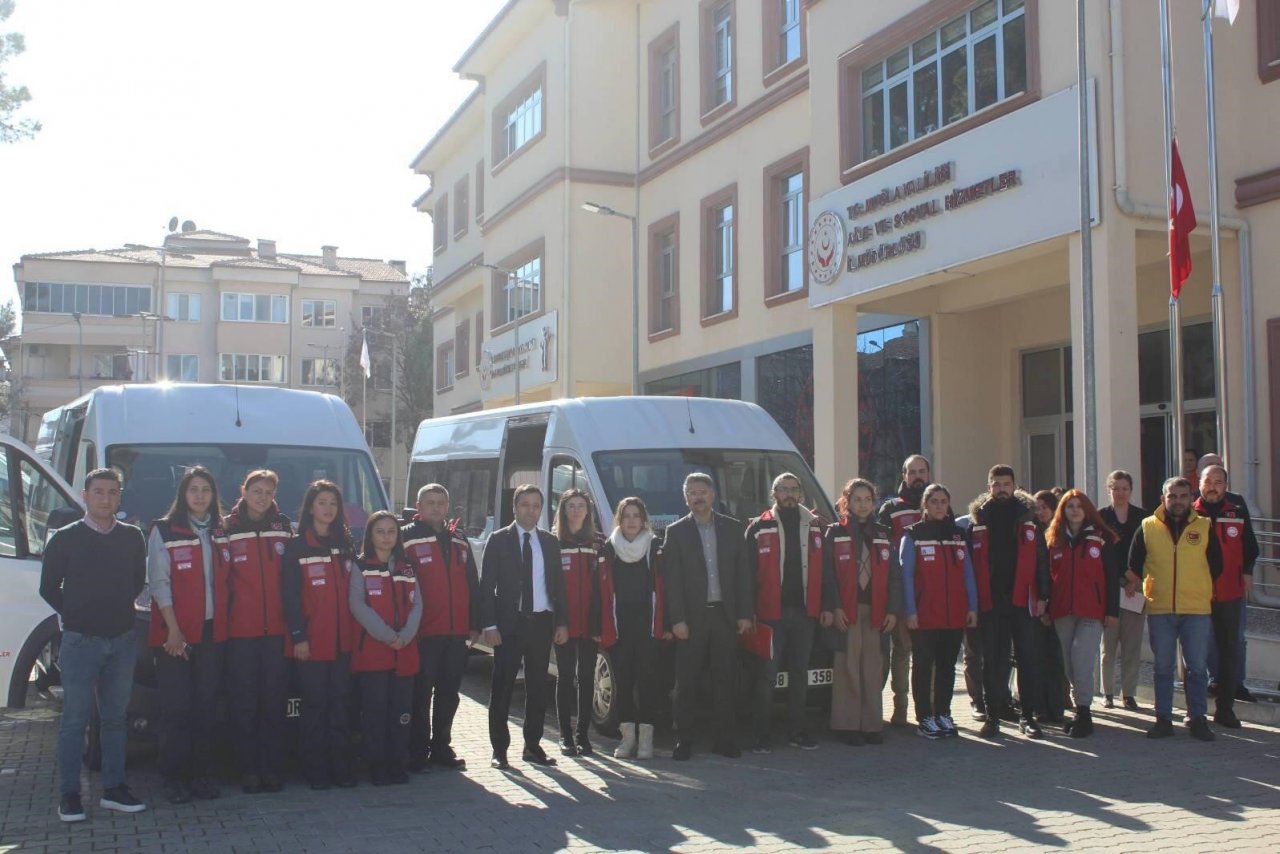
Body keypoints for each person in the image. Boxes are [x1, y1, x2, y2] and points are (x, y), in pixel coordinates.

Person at [40, 468, 148, 823]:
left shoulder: (132, 537)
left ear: (120, 497)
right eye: (98, 492)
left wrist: (114, 611)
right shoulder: (65, 538)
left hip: (122, 641)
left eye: (113, 492)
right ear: (85, 496)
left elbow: (136, 582)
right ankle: (70, 796)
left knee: (115, 719)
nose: (106, 498)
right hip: (80, 643)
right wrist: (76, 615)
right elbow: (48, 587)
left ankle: (114, 789)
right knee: (75, 721)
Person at [146, 466, 230, 804]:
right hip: (174, 635)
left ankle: (201, 775)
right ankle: (173, 777)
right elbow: (159, 583)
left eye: (205, 490)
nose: (199, 496)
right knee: (176, 709)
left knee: (205, 707)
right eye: (193, 489)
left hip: (211, 633)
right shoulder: (164, 530)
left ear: (213, 496)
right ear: (183, 494)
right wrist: (174, 630)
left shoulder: (221, 531)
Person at [664, 473, 752, 761]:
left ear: (713, 495)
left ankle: (724, 740)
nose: (698, 497)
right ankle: (684, 740)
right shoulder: (676, 532)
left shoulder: (733, 528)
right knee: (686, 682)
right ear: (685, 498)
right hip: (692, 620)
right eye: (692, 492)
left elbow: (743, 575)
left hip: (725, 617)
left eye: (702, 491)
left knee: (725, 680)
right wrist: (677, 619)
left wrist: (745, 613)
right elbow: (672, 581)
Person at [480, 484, 569, 769]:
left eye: (536, 505)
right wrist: (489, 625)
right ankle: (499, 750)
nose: (530, 510)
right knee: (503, 687)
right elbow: (486, 587)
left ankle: (532, 746)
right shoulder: (498, 540)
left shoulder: (549, 542)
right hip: (509, 624)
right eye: (525, 505)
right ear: (515, 507)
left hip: (541, 623)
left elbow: (558, 586)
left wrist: (561, 622)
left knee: (538, 688)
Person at [1128, 476, 1222, 741]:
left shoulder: (1204, 526)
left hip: (1196, 608)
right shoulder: (1147, 526)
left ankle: (1198, 718)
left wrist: (1198, 586)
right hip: (1161, 608)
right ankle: (1163, 719)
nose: (1178, 501)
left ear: (1191, 499)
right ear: (1163, 499)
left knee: (1197, 667)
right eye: (1172, 496)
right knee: (1163, 667)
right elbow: (1134, 565)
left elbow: (1217, 565)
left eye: (1182, 496)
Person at [282, 480, 358, 789]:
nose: (328, 508)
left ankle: (340, 768)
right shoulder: (297, 546)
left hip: (343, 643)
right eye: (322, 502)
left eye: (333, 503)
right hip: (311, 643)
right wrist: (298, 636)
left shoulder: (346, 544)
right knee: (314, 706)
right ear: (310, 507)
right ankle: (315, 771)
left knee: (340, 705)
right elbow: (290, 596)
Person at [965, 466, 1049, 740]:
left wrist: (1044, 596)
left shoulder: (1028, 517)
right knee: (992, 660)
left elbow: (1041, 559)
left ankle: (1028, 717)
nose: (1001, 489)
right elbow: (968, 565)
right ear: (989, 487)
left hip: (1022, 599)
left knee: (1027, 658)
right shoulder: (978, 520)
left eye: (1006, 484)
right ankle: (993, 717)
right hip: (990, 601)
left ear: (1014, 486)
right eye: (997, 484)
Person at [222, 469, 292, 794]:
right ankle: (248, 769)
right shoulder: (227, 527)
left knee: (274, 702)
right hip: (241, 632)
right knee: (245, 702)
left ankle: (272, 768)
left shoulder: (284, 527)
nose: (262, 497)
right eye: (257, 491)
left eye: (268, 492)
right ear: (244, 491)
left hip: (277, 632)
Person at [402, 484, 480, 772]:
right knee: (421, 693)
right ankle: (417, 750)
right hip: (423, 631)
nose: (436, 507)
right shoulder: (406, 537)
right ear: (419, 507)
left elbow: (472, 581)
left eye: (440, 503)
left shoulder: (459, 538)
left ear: (447, 507)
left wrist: (475, 623)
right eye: (430, 502)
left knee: (449, 692)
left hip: (456, 631)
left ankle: (441, 747)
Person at [747, 473, 825, 754]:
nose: (790, 494)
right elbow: (746, 574)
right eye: (784, 489)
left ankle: (797, 731)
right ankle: (761, 734)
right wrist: (748, 611)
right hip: (770, 614)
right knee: (766, 676)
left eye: (794, 489)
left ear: (801, 494)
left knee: (800, 674)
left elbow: (826, 571)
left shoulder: (816, 526)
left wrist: (826, 607)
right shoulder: (758, 527)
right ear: (774, 493)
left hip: (805, 613)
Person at [822, 478, 899, 746]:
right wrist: (835, 607)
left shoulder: (883, 533)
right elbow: (828, 576)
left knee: (872, 668)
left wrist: (893, 610)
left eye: (867, 500)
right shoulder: (835, 532)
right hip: (847, 610)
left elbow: (894, 576)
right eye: (857, 500)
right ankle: (847, 725)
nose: (863, 505)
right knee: (848, 667)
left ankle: (871, 724)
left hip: (877, 610)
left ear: (874, 503)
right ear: (847, 502)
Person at [900, 483, 978, 740]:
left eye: (943, 501)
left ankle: (943, 713)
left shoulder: (958, 534)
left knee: (947, 666)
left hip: (954, 614)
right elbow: (906, 576)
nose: (939, 506)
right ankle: (924, 717)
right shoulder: (913, 534)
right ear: (925, 505)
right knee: (923, 666)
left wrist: (972, 606)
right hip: (924, 614)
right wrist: (910, 611)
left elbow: (968, 574)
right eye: (933, 501)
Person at [349, 510, 422, 785]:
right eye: (380, 531)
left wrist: (406, 634)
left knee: (401, 712)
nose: (386, 536)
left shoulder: (407, 566)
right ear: (370, 534)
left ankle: (396, 763)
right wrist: (387, 635)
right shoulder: (360, 566)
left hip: (405, 651)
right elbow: (357, 605)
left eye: (391, 531)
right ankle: (376, 766)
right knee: (375, 712)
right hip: (374, 651)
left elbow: (418, 604)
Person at [1043, 490, 1120, 739]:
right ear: (1063, 511)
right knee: (1069, 664)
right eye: (1070, 506)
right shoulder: (1054, 539)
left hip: (1091, 611)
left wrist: (1112, 611)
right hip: (1062, 611)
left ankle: (1084, 712)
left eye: (1079, 506)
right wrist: (1047, 607)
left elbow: (1111, 577)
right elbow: (1048, 578)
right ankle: (1079, 708)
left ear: (1087, 510)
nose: (1075, 510)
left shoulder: (1101, 539)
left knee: (1081, 659)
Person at [598, 496, 669, 760]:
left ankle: (646, 741)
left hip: (648, 627)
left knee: (648, 683)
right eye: (626, 515)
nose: (631, 521)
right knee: (623, 684)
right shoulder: (608, 548)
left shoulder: (656, 546)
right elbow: (600, 591)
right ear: (619, 519)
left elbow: (667, 588)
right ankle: (627, 740)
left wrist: (668, 624)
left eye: (636, 515)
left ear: (643, 519)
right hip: (620, 627)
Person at [1195, 464, 1259, 729]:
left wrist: (1247, 572)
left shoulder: (1237, 510)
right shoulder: (1189, 511)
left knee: (1229, 649)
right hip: (1196, 592)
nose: (1213, 486)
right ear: (1199, 483)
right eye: (1208, 481)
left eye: (1218, 481)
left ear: (1226, 485)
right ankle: (1195, 710)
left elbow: (1250, 546)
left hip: (1230, 591)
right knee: (1195, 651)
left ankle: (1225, 709)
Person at [876, 454, 930, 727]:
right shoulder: (891, 508)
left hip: (930, 592)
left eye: (921, 471)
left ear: (928, 474)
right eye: (912, 472)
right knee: (902, 650)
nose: (917, 476)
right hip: (900, 590)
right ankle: (900, 710)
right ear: (904, 476)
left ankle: (931, 709)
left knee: (928, 653)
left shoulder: (938, 503)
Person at [552, 489, 602, 757]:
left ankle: (583, 735)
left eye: (581, 505)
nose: (576, 510)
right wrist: (557, 622)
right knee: (565, 677)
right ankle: (565, 735)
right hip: (564, 623)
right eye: (571, 506)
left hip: (590, 624)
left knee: (586, 677)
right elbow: (550, 587)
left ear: (587, 510)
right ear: (563, 510)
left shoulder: (598, 543)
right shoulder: (553, 543)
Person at [1099, 470, 1147, 711]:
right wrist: (1119, 576)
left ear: (1131, 490)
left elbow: (1147, 551)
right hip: (1109, 586)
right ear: (1109, 490)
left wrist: (1134, 579)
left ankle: (1128, 693)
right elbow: (1099, 553)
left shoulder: (1143, 517)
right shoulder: (1100, 517)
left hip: (1135, 587)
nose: (1120, 493)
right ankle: (1107, 693)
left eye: (1124, 488)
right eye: (1115, 488)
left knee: (1132, 644)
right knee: (1108, 646)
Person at [1031, 489, 1067, 725]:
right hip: (1037, 604)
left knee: (1056, 658)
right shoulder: (1031, 533)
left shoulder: (1061, 534)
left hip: (1059, 604)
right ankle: (1040, 707)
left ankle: (1057, 706)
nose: (1040, 512)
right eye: (1037, 508)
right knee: (1037, 657)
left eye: (1045, 507)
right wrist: (1042, 601)